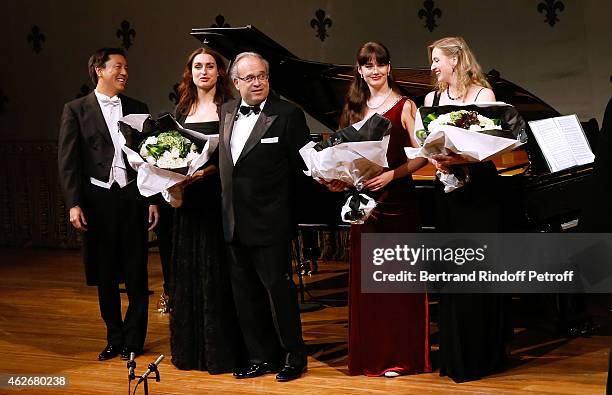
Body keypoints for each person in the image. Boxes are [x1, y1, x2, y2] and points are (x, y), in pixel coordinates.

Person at [325, 42, 430, 377]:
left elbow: (422, 155)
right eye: (367, 65)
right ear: (359, 70)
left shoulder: (405, 106)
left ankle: (403, 357)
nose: (374, 70)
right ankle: (372, 356)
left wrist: (391, 175)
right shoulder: (353, 108)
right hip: (365, 206)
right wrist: (338, 179)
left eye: (380, 63)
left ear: (388, 67)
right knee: (370, 285)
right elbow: (344, 156)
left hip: (398, 202)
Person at [58, 48, 159, 361]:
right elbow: (68, 162)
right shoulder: (76, 109)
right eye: (118, 66)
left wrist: (153, 198)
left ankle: (135, 339)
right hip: (98, 200)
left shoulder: (137, 108)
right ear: (99, 70)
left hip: (133, 197)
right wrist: (74, 203)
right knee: (106, 274)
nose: (125, 72)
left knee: (136, 273)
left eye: (127, 67)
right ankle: (114, 337)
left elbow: (150, 159)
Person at [218, 52, 309, 382]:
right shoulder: (226, 111)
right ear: (236, 82)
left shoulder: (288, 115)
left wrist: (291, 219)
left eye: (262, 76)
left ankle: (294, 355)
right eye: (249, 78)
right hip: (233, 221)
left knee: (279, 294)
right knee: (245, 295)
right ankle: (260, 356)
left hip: (271, 223)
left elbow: (303, 172)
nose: (257, 82)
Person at [424, 36, 510, 382]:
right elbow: (426, 141)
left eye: (436, 60)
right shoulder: (431, 98)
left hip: (479, 192)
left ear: (456, 61)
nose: (432, 67)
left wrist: (457, 158)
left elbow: (492, 148)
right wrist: (436, 159)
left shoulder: (482, 96)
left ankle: (482, 356)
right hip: (448, 193)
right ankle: (456, 357)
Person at [167, 47, 244, 373]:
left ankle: (222, 353)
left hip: (219, 199)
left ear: (219, 73)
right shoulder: (181, 110)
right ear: (190, 72)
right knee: (190, 273)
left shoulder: (231, 110)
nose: (203, 72)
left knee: (219, 274)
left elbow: (235, 158)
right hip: (189, 204)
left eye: (210, 66)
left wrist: (207, 171)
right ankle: (191, 352)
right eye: (197, 66)